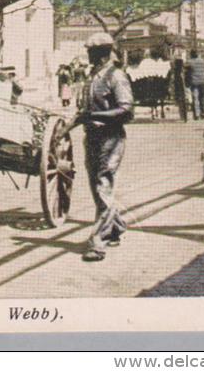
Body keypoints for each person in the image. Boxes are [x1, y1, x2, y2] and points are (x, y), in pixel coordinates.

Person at [76, 32, 134, 262]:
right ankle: (116, 227)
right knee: (97, 187)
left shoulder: (116, 76)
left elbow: (126, 110)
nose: (88, 55)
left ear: (102, 53)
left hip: (110, 138)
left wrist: (95, 115)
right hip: (92, 137)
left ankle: (97, 243)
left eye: (92, 52)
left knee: (102, 185)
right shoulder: (93, 76)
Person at [184, 49, 204, 120]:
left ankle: (197, 115)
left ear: (191, 54)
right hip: (203, 82)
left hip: (194, 82)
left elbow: (185, 72)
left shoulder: (189, 62)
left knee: (195, 98)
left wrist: (186, 82)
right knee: (203, 98)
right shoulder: (203, 61)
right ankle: (203, 114)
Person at [168, 57, 188, 122]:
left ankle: (182, 116)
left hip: (178, 89)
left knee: (180, 102)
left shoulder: (173, 71)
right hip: (183, 89)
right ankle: (183, 116)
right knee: (183, 102)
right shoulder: (183, 71)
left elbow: (170, 79)